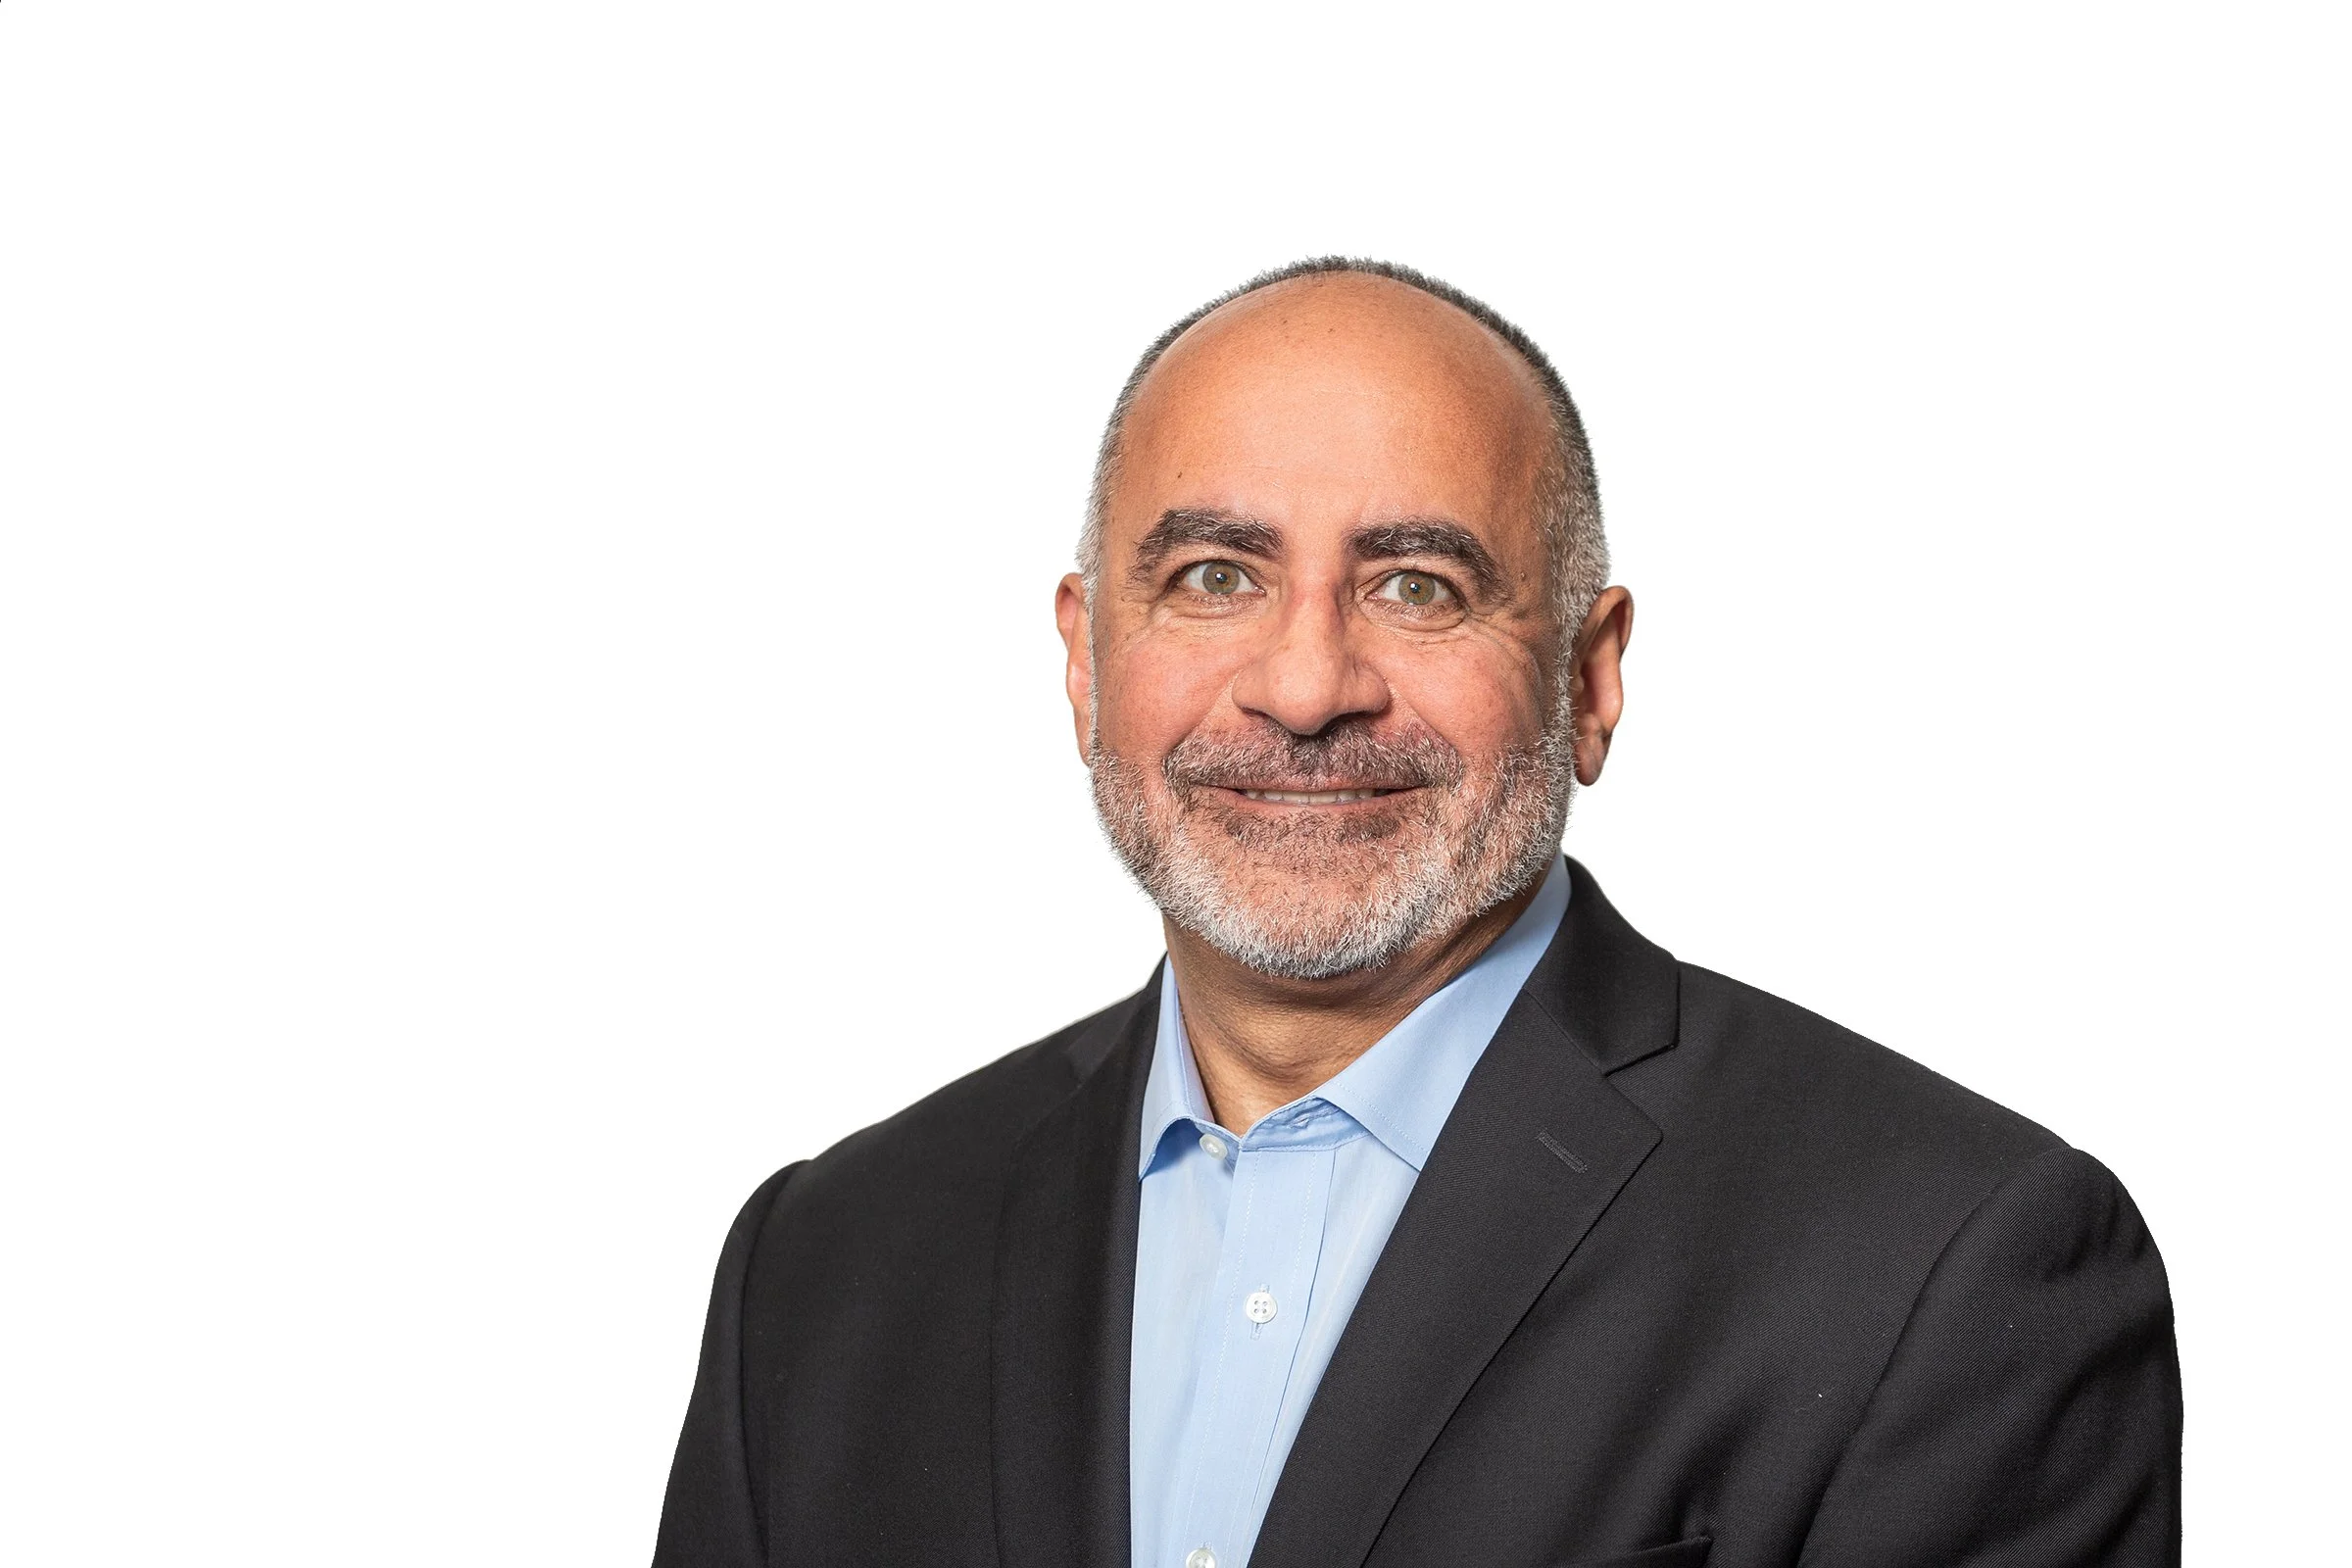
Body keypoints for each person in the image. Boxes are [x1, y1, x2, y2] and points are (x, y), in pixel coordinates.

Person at [652, 259, 2181, 1568]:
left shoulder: (1947, 1268)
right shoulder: (825, 1269)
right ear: (1084, 661)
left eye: (1419, 587)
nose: (1306, 686)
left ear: (1590, 678)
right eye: (1213, 577)